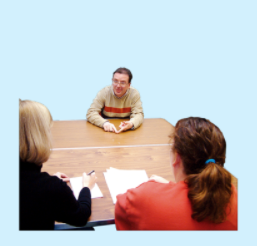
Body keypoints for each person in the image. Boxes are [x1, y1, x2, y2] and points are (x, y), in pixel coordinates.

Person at [115, 117, 238, 230]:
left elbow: (121, 209)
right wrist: (171, 186)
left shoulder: (144, 198)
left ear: (176, 157)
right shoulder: (232, 194)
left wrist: (157, 190)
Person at [19, 99, 97, 230]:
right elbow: (81, 216)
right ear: (39, 137)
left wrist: (46, 180)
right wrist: (86, 188)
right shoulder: (52, 188)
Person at [86, 67, 144, 133]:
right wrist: (104, 123)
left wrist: (131, 124)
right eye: (115, 81)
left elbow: (139, 114)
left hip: (127, 130)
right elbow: (91, 113)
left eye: (122, 82)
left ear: (129, 85)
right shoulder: (104, 92)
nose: (118, 86)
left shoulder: (134, 94)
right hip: (106, 129)